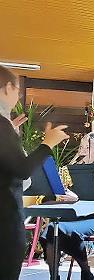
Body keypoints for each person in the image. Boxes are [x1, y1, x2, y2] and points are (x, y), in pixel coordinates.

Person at [0, 65, 69, 279]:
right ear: (8, 88)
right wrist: (47, 144)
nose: (17, 96)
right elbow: (21, 170)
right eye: (17, 90)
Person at [40, 132, 94, 280]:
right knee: (49, 231)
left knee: (58, 229)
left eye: (88, 147)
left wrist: (77, 199)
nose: (83, 151)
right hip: (77, 216)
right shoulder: (77, 170)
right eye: (82, 147)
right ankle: (56, 276)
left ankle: (85, 272)